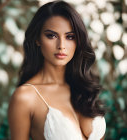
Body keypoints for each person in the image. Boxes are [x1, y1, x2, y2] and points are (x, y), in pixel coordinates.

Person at [8, 1, 106, 140]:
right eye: (51, 36)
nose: (61, 46)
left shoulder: (83, 87)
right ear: (37, 39)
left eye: (70, 37)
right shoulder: (25, 97)